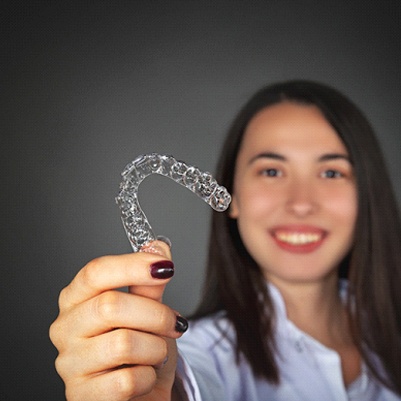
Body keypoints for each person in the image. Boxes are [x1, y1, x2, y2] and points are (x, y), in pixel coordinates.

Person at [50, 80, 401, 401]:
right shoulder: (202, 353)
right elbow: (187, 382)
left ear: (367, 193)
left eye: (330, 172)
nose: (301, 203)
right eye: (271, 171)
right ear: (233, 197)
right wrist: (159, 388)